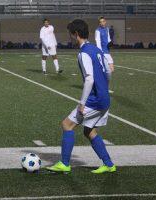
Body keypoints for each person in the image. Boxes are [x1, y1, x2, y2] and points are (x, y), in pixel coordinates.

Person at [46, 19, 116, 174]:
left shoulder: (83, 53)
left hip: (95, 100)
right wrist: (105, 87)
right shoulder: (96, 49)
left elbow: (90, 78)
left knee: (66, 125)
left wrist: (82, 103)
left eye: (70, 34)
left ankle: (64, 163)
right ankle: (109, 164)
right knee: (89, 131)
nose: (69, 38)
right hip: (104, 98)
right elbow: (108, 72)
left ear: (76, 34)